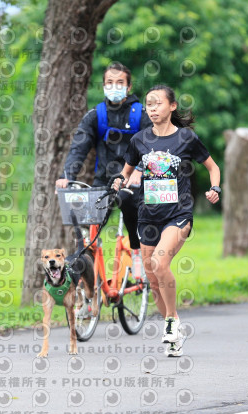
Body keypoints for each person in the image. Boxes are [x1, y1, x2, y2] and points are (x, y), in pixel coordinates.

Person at [117, 84, 221, 357]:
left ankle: (173, 321)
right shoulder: (139, 140)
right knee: (153, 280)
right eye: (149, 105)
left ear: (172, 106)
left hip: (178, 214)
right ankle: (172, 328)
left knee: (159, 262)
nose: (152, 109)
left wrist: (215, 188)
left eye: (158, 104)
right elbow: (125, 173)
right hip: (148, 216)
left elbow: (213, 167)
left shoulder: (186, 138)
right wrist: (118, 182)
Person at [56, 62, 152, 275]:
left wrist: (140, 170)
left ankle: (136, 252)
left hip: (135, 181)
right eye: (110, 82)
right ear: (103, 86)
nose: (114, 86)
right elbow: (79, 147)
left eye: (120, 82)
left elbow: (153, 146)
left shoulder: (141, 114)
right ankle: (90, 270)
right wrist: (67, 176)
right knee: (88, 222)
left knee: (129, 204)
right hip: (105, 180)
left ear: (129, 87)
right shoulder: (96, 115)